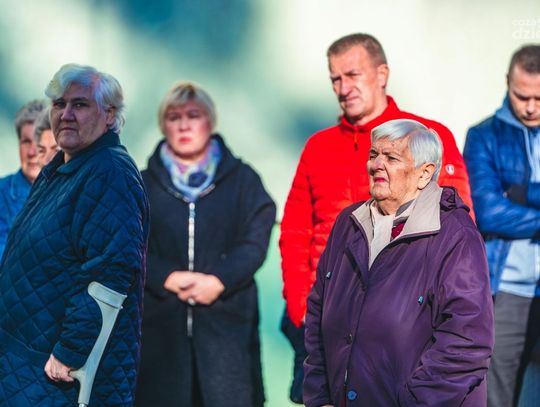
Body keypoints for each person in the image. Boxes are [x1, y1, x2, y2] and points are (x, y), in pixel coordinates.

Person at [279, 32, 474, 403]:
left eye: (353, 75)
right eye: (335, 79)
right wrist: (302, 307)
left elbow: (456, 229)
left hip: (402, 328)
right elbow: (295, 231)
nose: (343, 88)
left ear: (381, 74)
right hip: (326, 321)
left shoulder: (426, 138)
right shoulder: (319, 147)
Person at [303, 119, 494, 407]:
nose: (376, 165)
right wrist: (320, 398)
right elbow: (318, 314)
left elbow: (466, 341)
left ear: (424, 173)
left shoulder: (455, 235)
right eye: (373, 155)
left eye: (391, 158)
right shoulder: (349, 223)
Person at [0, 63, 149, 406]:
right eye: (59, 104)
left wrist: (70, 352)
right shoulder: (64, 168)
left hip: (59, 375)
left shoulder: (109, 172)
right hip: (26, 365)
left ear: (109, 115)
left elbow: (111, 272)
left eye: (80, 104)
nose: (66, 114)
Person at [135, 82, 276, 407]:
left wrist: (219, 280)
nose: (183, 125)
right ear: (163, 126)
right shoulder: (142, 184)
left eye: (193, 115)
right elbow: (130, 245)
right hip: (160, 334)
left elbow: (254, 240)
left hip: (226, 332)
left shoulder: (243, 180)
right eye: (174, 117)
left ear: (209, 122)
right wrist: (165, 277)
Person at [464, 44, 540, 407]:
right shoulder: (483, 136)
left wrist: (523, 193)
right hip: (508, 291)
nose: (530, 107)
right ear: (508, 82)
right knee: (496, 398)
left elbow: (505, 208)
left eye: (539, 98)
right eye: (521, 96)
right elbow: (489, 212)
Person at [0, 99, 45, 259]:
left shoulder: (70, 193)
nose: (32, 152)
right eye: (26, 141)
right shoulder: (2, 193)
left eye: (39, 142)